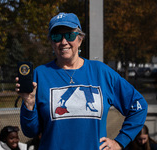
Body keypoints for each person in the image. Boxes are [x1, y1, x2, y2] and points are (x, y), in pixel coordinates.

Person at [15, 12, 148, 150]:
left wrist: (120, 141)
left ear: (80, 39)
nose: (63, 42)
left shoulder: (101, 72)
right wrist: (29, 104)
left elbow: (138, 106)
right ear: (51, 42)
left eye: (70, 35)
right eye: (56, 36)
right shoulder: (41, 74)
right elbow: (30, 131)